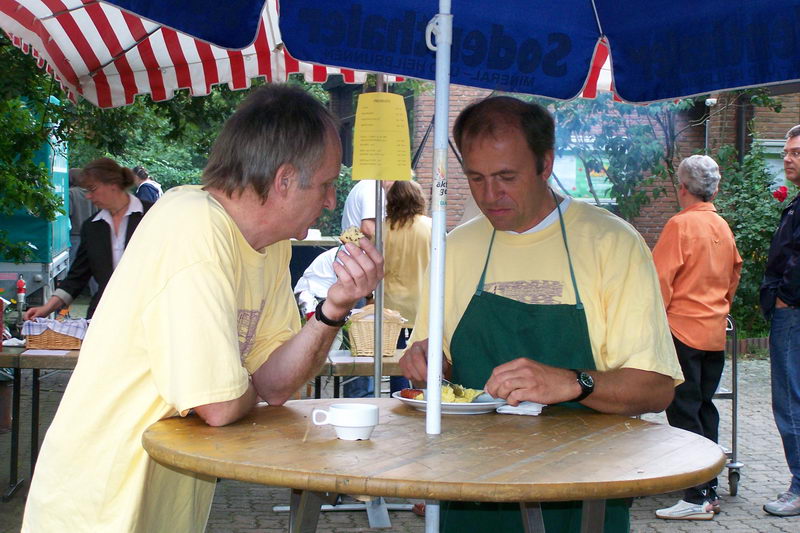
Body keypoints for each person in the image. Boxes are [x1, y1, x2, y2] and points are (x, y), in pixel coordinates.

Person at [21, 85, 383, 533]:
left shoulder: (271, 246)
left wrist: (334, 308)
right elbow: (219, 405)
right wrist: (238, 386)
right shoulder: (192, 225)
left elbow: (274, 386)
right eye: (327, 184)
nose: (332, 202)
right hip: (98, 504)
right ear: (284, 179)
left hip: (163, 503)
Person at [399, 96, 683, 533]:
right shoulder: (453, 249)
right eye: (476, 178)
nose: (489, 195)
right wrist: (427, 368)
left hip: (583, 493)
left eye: (506, 177)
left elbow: (657, 388)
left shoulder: (612, 243)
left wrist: (572, 382)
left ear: (545, 164)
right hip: (472, 488)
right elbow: (441, 373)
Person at [651, 155, 742, 520]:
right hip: (714, 332)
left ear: (681, 188)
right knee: (704, 407)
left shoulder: (680, 226)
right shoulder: (722, 226)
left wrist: (653, 324)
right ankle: (709, 486)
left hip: (682, 330)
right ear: (715, 188)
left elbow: (659, 281)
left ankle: (696, 497)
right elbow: (734, 275)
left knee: (683, 410)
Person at [25, 158, 153, 320]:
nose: (89, 196)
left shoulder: (152, 214)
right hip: (104, 313)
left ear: (113, 185)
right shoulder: (92, 227)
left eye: (92, 189)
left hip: (149, 312)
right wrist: (46, 308)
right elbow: (77, 277)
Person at [760, 124, 800, 517]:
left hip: (794, 315)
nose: (787, 157)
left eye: (797, 152)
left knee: (790, 401)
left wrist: (785, 299)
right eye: (787, 151)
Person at [340, 178, 394, 397]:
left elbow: (353, 231)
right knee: (362, 338)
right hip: (358, 268)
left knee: (358, 339)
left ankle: (360, 394)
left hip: (356, 266)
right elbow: (368, 227)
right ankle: (362, 398)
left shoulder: (364, 187)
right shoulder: (373, 188)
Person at [383, 180, 431, 392]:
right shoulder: (431, 227)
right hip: (422, 303)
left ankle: (400, 397)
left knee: (397, 360)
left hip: (391, 304)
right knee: (423, 357)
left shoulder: (383, 230)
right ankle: (424, 396)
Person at [67, 167, 96, 267]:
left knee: (73, 264)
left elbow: (68, 213)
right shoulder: (93, 193)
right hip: (92, 234)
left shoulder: (71, 193)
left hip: (76, 234)